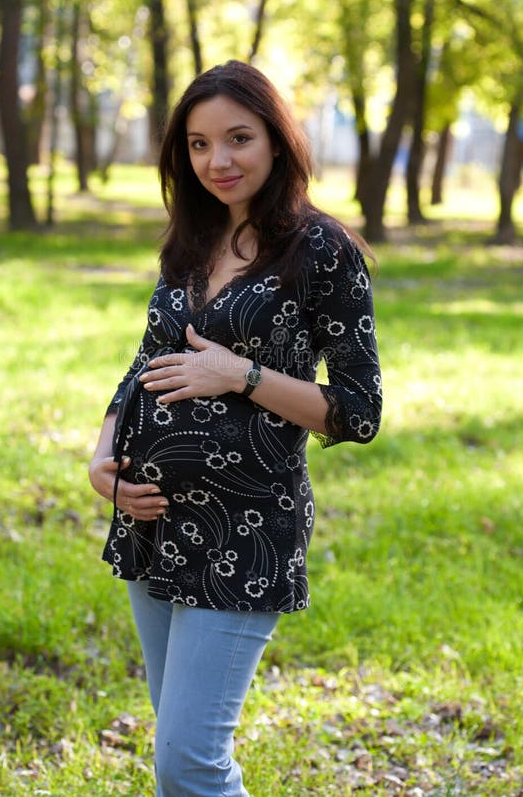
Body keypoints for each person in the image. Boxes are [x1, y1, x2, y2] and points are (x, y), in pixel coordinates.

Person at [88, 59, 382, 796]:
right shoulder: (191, 239)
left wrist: (240, 375)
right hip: (154, 523)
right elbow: (146, 360)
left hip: (245, 527)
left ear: (278, 142)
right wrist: (104, 456)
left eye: (238, 139)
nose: (217, 161)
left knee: (188, 764)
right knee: (181, 754)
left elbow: (358, 410)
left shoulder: (322, 251)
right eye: (197, 144)